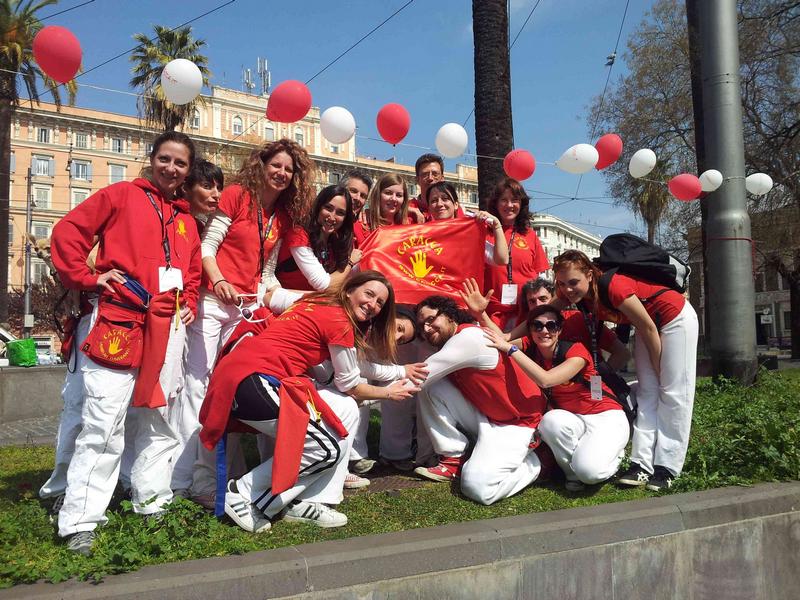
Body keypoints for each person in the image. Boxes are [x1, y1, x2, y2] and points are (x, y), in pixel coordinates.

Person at [50, 131, 201, 555]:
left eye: (181, 163)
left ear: (188, 170)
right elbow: (67, 233)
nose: (172, 168)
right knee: (104, 421)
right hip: (120, 323)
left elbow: (191, 275)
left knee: (158, 418)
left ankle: (150, 499)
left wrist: (188, 302)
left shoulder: (188, 221)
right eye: (165, 159)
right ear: (152, 159)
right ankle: (80, 519)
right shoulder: (120, 195)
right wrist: (89, 277)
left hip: (168, 331)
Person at [198, 271, 419, 531]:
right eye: (369, 294)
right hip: (254, 378)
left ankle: (294, 501)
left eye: (380, 303)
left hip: (245, 374)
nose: (373, 305)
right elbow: (349, 384)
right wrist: (388, 393)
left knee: (340, 415)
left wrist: (400, 372)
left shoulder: (317, 301)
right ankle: (243, 491)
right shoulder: (340, 320)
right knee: (326, 450)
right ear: (349, 290)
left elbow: (272, 297)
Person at [178, 140, 315, 502]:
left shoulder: (282, 218)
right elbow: (208, 247)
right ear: (262, 164)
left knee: (235, 385)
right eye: (277, 165)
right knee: (199, 385)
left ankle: (226, 474)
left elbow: (266, 271)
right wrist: (219, 280)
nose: (282, 173)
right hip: (212, 302)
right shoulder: (237, 196)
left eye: (289, 169)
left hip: (246, 308)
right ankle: (192, 480)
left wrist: (289, 299)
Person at [552, 250, 698, 491]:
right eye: (561, 284)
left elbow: (650, 329)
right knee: (648, 392)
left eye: (573, 283)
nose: (567, 289)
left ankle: (668, 467)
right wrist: (506, 336)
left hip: (674, 318)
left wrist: (659, 365)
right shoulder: (575, 293)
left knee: (672, 392)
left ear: (589, 275)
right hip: (647, 326)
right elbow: (541, 313)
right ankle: (641, 464)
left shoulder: (613, 286)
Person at [411, 295, 545, 505]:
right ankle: (454, 458)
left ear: (448, 314)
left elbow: (419, 375)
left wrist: (363, 392)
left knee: (477, 488)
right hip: (490, 417)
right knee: (434, 388)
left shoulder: (468, 338)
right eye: (421, 326)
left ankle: (540, 462)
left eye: (430, 320)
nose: (426, 329)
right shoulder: (457, 338)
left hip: (520, 424)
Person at [484, 304, 629, 491]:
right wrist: (480, 314)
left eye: (551, 326)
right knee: (549, 421)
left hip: (605, 416)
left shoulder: (576, 350)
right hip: (572, 419)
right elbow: (501, 339)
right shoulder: (531, 346)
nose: (544, 331)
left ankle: (614, 457)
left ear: (559, 330)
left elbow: (546, 380)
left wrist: (512, 350)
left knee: (591, 473)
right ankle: (572, 473)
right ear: (530, 330)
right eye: (537, 326)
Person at [484, 178, 549, 331]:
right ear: (496, 203)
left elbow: (539, 275)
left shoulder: (530, 235)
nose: (509, 205)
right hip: (494, 313)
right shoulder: (483, 232)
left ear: (521, 204)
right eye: (504, 200)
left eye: (514, 200)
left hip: (526, 311)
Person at [274, 184, 361, 292]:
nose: (332, 217)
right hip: (287, 301)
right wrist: (350, 263)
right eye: (328, 208)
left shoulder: (335, 240)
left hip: (314, 301)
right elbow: (324, 286)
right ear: (318, 207)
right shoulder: (299, 235)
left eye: (340, 213)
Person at [183, 159, 224, 231]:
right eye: (207, 186)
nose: (216, 195)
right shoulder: (169, 220)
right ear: (185, 187)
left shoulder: (201, 227)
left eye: (219, 188)